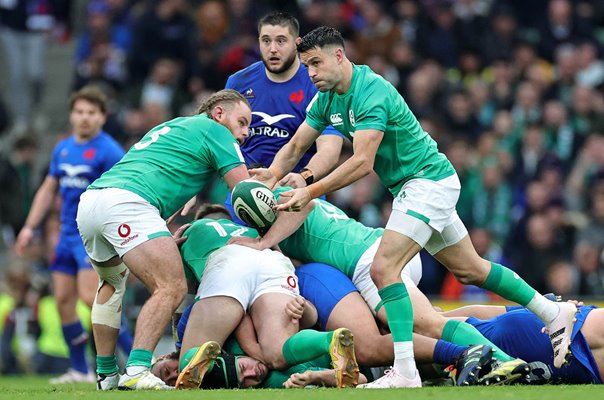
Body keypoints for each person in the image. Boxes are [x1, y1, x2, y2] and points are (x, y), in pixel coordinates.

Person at [251, 26, 577, 388]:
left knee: (384, 269)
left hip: (425, 183)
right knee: (471, 270)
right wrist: (274, 173)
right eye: (306, 65)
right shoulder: (327, 98)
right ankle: (551, 311)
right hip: (421, 186)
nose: (309, 73)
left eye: (315, 63)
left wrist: (309, 191)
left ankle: (405, 372)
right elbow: (296, 146)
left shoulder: (370, 91)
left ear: (339, 56)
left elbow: (362, 162)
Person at [229, 188, 527, 384]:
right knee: (426, 321)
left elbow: (304, 204)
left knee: (429, 323)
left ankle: (507, 362)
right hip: (385, 247)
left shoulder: (285, 200)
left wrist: (262, 242)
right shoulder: (284, 221)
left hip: (371, 261)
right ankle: (529, 317)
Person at [76, 89, 252, 390]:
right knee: (170, 286)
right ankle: (137, 370)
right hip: (128, 204)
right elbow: (245, 191)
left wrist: (157, 231)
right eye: (242, 122)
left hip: (93, 201)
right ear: (219, 114)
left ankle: (106, 375)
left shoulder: (173, 126)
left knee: (112, 284)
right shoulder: (215, 131)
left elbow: (160, 173)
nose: (245, 133)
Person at [14, 86, 127, 384]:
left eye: (91, 112)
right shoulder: (63, 149)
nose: (84, 118)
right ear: (71, 115)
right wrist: (29, 227)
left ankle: (139, 359)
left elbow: (123, 190)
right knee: (63, 300)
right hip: (64, 235)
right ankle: (79, 369)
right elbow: (48, 189)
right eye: (79, 112)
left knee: (93, 299)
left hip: (92, 235)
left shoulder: (110, 150)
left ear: (102, 117)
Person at [176, 213, 359, 389]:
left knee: (185, 365)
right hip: (270, 258)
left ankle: (199, 357)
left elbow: (176, 285)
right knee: (277, 353)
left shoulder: (188, 234)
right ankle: (329, 340)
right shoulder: (247, 228)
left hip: (226, 261)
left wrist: (171, 246)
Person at [225, 11, 342, 190]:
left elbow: (330, 148)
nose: (272, 48)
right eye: (266, 41)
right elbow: (218, 140)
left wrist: (305, 177)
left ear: (297, 43)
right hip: (245, 191)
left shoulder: (317, 84)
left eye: (281, 41)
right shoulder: (238, 82)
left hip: (296, 190)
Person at [443, 301, 604, 385]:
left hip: (537, 336)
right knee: (431, 330)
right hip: (531, 338)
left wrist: (438, 316)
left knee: (433, 328)